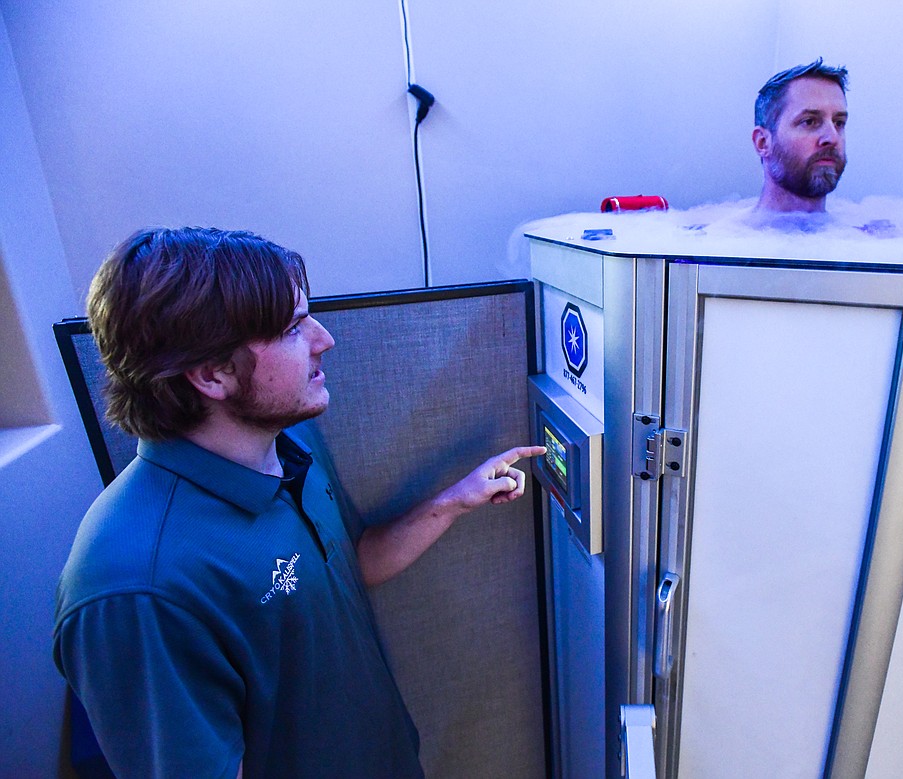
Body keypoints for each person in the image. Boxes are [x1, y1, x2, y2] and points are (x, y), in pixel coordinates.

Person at [53, 227, 543, 778]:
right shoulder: (134, 588)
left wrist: (456, 500)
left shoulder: (289, 442)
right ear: (212, 373)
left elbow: (341, 565)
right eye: (291, 328)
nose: (323, 338)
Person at [752, 58, 850, 216]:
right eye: (809, 121)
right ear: (763, 142)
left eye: (839, 123)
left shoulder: (871, 236)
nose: (832, 138)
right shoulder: (717, 238)